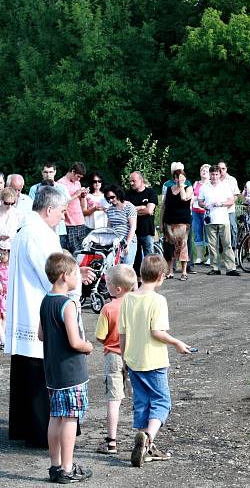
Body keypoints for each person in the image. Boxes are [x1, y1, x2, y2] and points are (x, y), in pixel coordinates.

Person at [5, 186, 93, 449]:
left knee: (28, 374)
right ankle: (43, 433)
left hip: (32, 308)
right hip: (42, 312)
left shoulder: (27, 231)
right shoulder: (38, 234)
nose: (63, 217)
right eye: (62, 211)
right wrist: (76, 280)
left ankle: (29, 427)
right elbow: (53, 276)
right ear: (49, 209)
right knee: (41, 376)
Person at [119, 254, 191, 467]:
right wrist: (177, 342)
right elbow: (157, 332)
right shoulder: (158, 301)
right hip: (155, 361)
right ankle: (148, 437)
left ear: (140, 274)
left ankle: (144, 444)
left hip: (133, 360)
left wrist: (124, 357)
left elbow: (122, 334)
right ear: (161, 276)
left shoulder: (128, 299)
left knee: (141, 402)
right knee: (161, 401)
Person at [38, 252, 93, 484]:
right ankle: (68, 468)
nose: (76, 277)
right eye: (74, 274)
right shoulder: (68, 303)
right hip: (71, 371)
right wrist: (87, 346)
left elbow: (40, 334)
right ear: (64, 276)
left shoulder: (46, 299)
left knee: (55, 417)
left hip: (52, 371)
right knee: (70, 418)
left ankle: (55, 465)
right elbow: (75, 341)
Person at [95, 264, 137, 456]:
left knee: (114, 400)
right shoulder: (137, 304)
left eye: (108, 283)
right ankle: (144, 436)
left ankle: (111, 442)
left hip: (113, 355)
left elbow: (100, 336)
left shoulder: (108, 308)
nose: (106, 286)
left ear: (117, 289)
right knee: (139, 396)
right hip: (135, 355)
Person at [199, 166, 239, 276]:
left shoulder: (225, 186)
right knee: (212, 245)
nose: (214, 176)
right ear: (210, 175)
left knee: (227, 244)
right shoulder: (204, 187)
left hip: (223, 218)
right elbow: (200, 201)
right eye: (212, 174)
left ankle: (231, 268)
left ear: (219, 175)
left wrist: (221, 204)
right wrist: (205, 205)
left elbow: (231, 201)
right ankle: (215, 268)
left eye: (216, 174)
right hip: (210, 219)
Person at [161, 169, 193, 281]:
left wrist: (181, 186)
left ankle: (184, 271)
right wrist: (161, 222)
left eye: (182, 176)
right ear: (174, 178)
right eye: (177, 177)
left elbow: (184, 198)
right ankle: (170, 271)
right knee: (169, 247)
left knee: (182, 246)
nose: (179, 179)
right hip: (169, 222)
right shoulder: (169, 190)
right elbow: (164, 206)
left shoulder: (188, 188)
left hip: (182, 222)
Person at [126, 171, 158, 276]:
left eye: (133, 181)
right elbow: (126, 211)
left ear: (141, 180)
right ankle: (138, 281)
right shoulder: (128, 194)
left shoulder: (151, 192)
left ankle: (151, 278)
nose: (131, 183)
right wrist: (141, 207)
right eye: (130, 181)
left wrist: (133, 210)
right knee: (136, 259)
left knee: (149, 258)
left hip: (147, 231)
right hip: (133, 232)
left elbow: (149, 211)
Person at [57, 162, 89, 253]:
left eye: (80, 178)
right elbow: (61, 203)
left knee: (82, 251)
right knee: (73, 252)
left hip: (80, 222)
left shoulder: (77, 183)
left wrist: (83, 195)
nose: (78, 179)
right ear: (72, 171)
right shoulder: (61, 183)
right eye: (77, 176)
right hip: (69, 224)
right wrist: (75, 195)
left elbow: (81, 204)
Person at [104, 185, 138, 265]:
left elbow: (133, 227)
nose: (111, 200)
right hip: (115, 242)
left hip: (128, 240)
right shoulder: (110, 209)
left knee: (127, 266)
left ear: (118, 194)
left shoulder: (129, 207)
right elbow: (109, 227)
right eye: (108, 198)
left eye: (112, 197)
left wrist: (128, 244)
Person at [217, 160, 241, 245]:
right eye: (219, 169)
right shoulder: (214, 180)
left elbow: (236, 195)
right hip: (218, 210)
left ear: (226, 169)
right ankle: (221, 251)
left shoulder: (232, 180)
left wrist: (228, 204)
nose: (221, 171)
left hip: (229, 210)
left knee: (232, 229)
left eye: (223, 168)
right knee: (219, 231)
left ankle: (234, 249)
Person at [191, 164, 210, 265]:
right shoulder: (196, 183)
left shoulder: (211, 184)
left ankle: (210, 257)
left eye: (206, 171)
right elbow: (192, 196)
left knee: (208, 235)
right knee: (198, 234)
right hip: (196, 211)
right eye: (202, 170)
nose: (204, 172)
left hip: (206, 211)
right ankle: (199, 257)